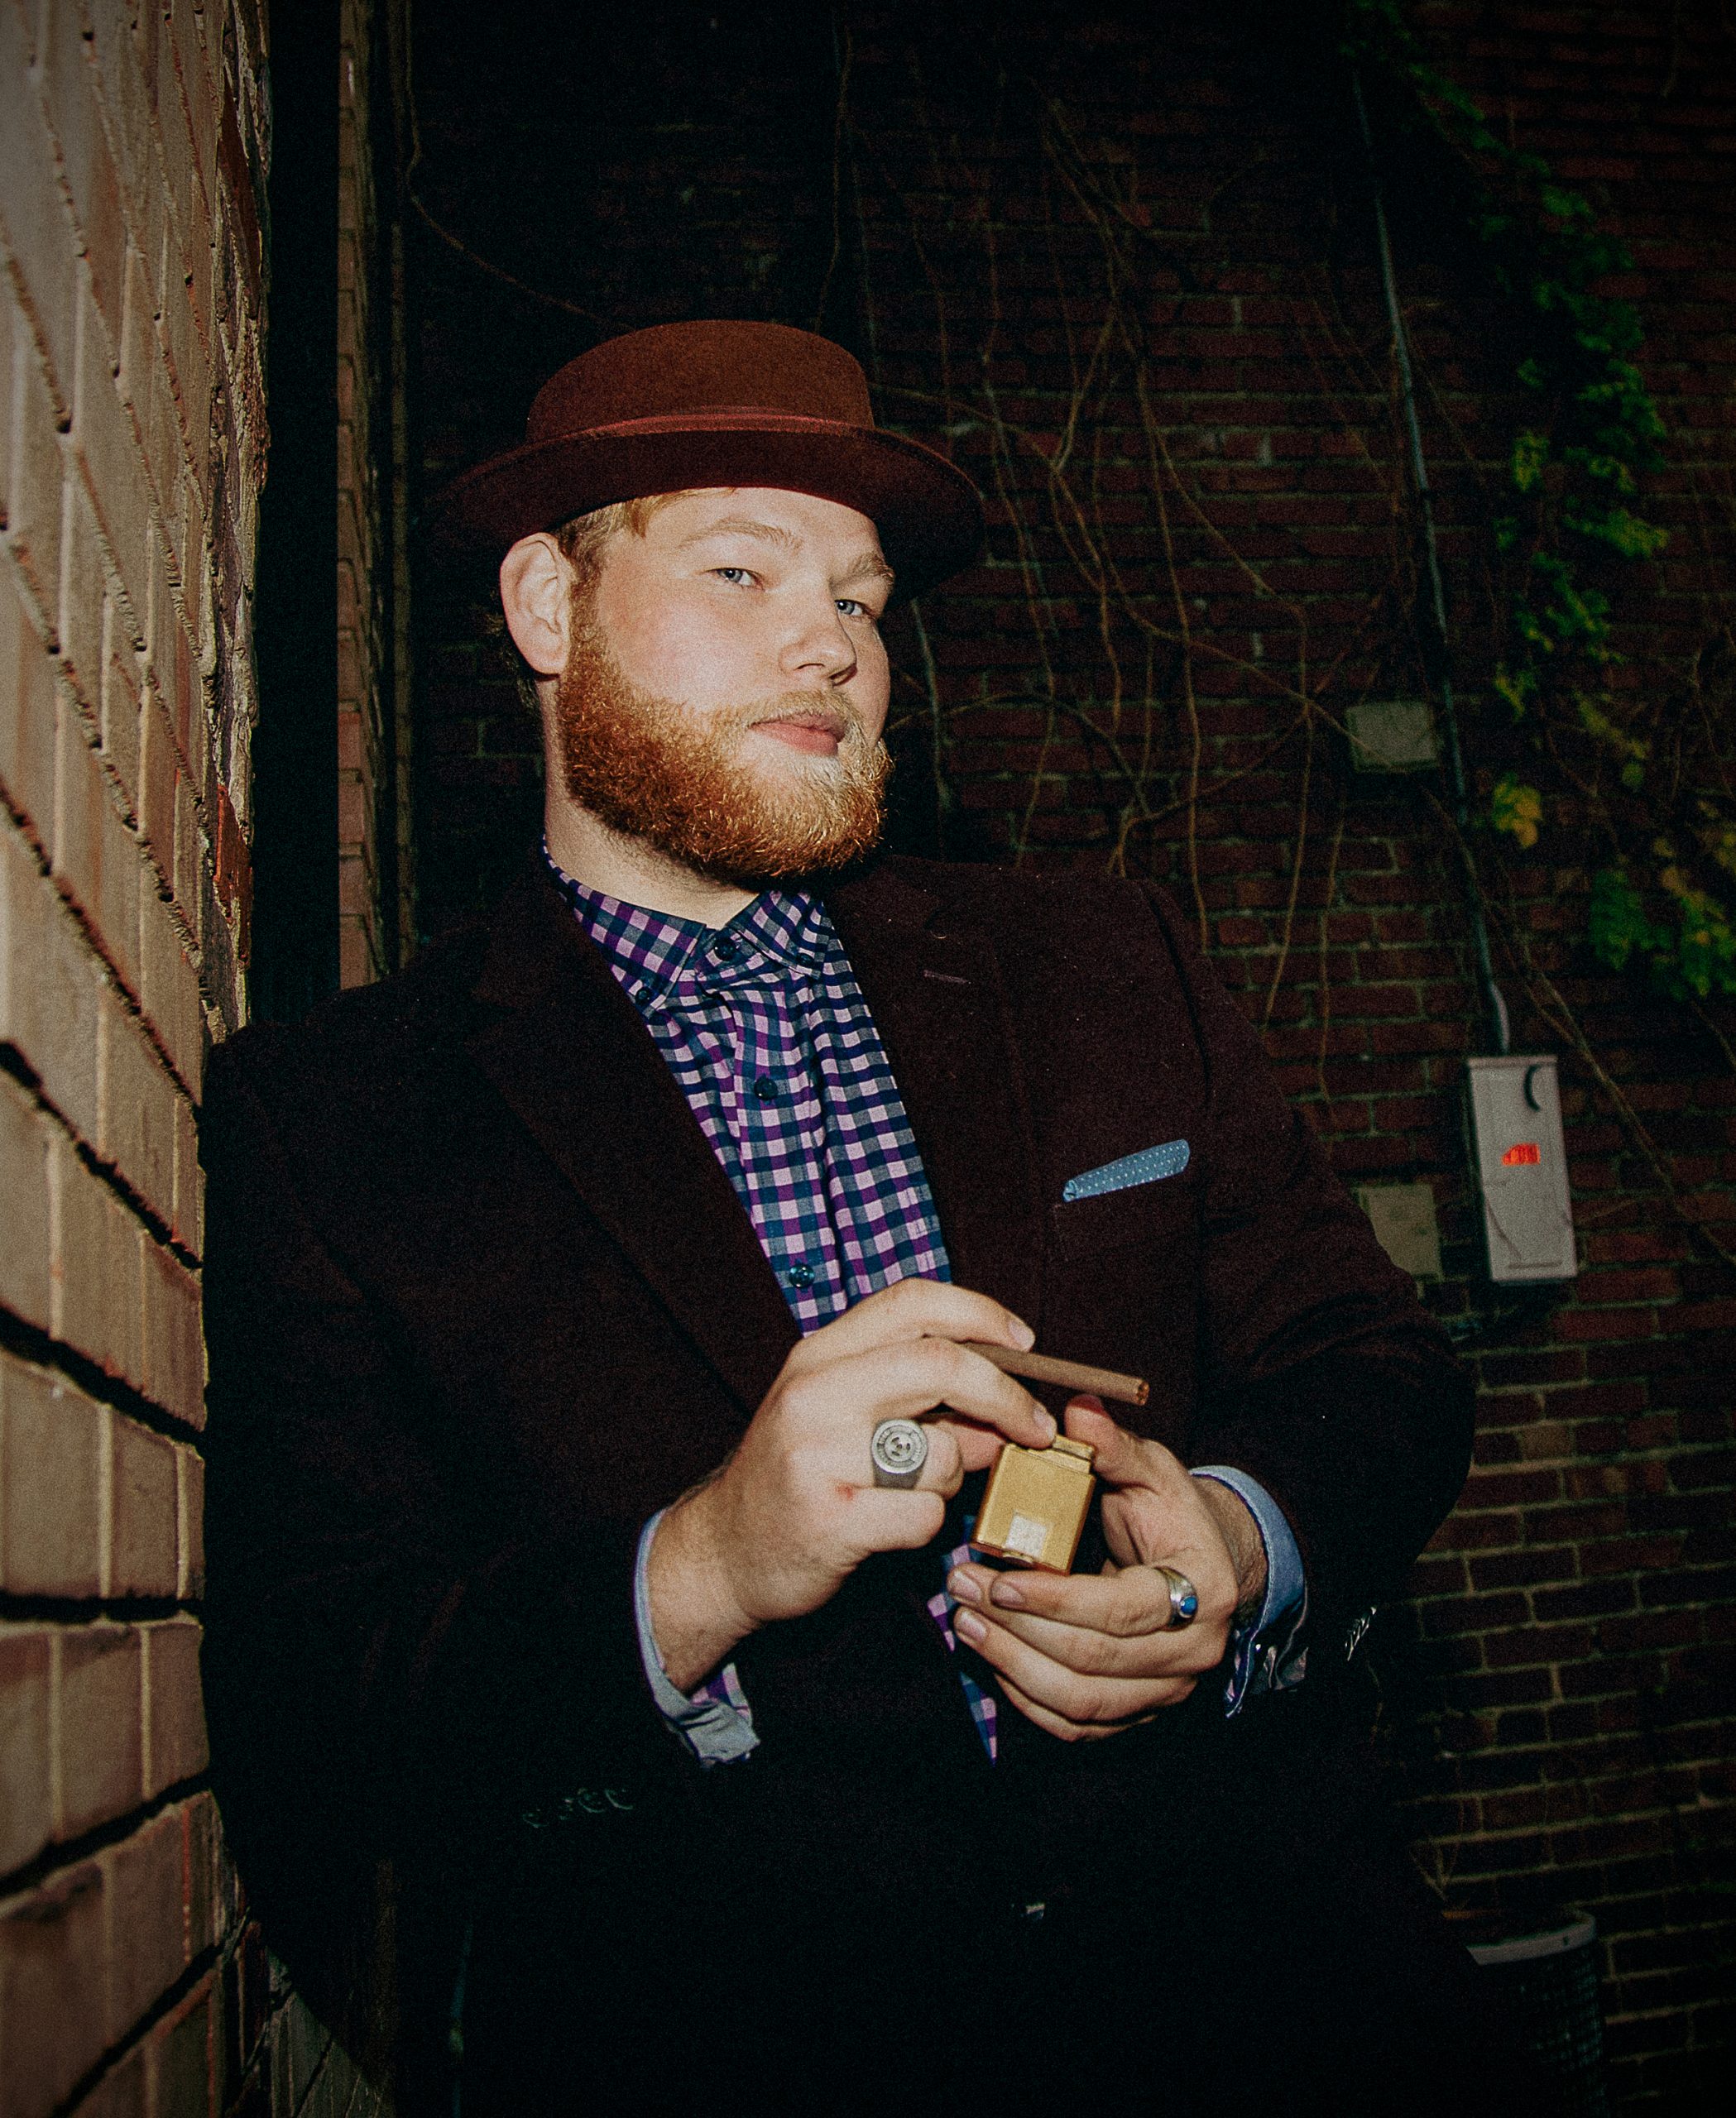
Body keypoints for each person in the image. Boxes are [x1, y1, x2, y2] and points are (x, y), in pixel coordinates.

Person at [202, 320, 1511, 2115]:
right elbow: (320, 1701)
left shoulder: (1100, 959)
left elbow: (1374, 1365)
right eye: (742, 571)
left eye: (861, 598)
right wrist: (703, 1564)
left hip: (1283, 2010)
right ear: (545, 605)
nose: (831, 640)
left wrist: (1233, 1532)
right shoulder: (338, 1116)